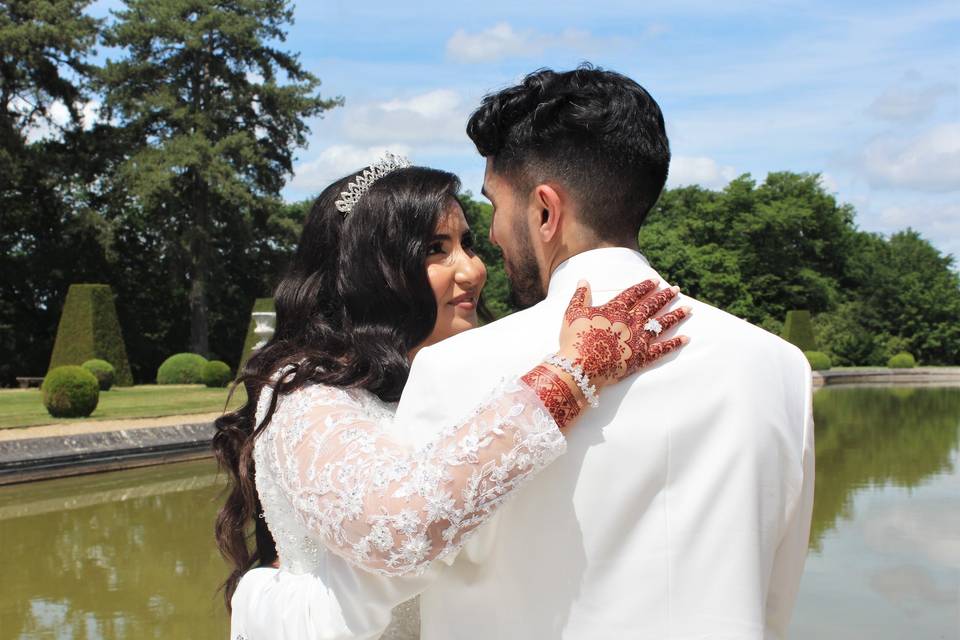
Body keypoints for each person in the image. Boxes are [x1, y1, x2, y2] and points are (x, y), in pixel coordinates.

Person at [393, 65, 815, 639]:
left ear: (545, 211)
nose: (491, 235)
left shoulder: (450, 368)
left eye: (496, 205)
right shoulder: (780, 366)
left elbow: (400, 565)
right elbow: (775, 592)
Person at [214, 158, 691, 639]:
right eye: (435, 250)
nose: (472, 270)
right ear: (369, 271)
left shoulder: (454, 376)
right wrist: (572, 376)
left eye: (468, 244)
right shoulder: (305, 391)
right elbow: (396, 527)